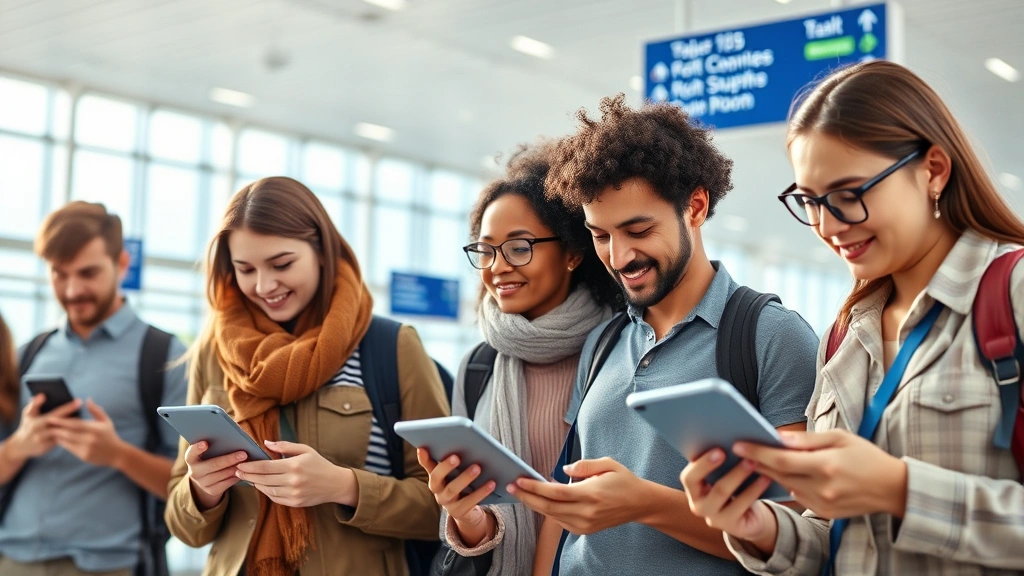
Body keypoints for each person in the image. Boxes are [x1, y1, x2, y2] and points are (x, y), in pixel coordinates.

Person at [680, 60, 1024, 574]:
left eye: (849, 195)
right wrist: (759, 528)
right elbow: (838, 533)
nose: (826, 225)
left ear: (933, 170)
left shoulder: (1013, 293)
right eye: (810, 201)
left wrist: (900, 490)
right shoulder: (844, 334)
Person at [511, 94, 819, 576]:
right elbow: (567, 509)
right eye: (601, 235)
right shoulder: (604, 342)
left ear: (695, 207)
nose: (618, 256)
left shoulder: (772, 337)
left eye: (638, 229)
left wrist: (646, 505)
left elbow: (796, 528)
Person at [164, 176, 449, 576]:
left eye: (282, 264)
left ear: (322, 250)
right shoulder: (216, 351)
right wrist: (202, 491)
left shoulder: (391, 346)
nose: (264, 285)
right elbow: (182, 527)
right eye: (245, 269)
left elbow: (444, 507)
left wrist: (344, 486)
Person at [416, 143, 622, 576]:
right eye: (486, 250)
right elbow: (477, 533)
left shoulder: (621, 350)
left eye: (519, 247)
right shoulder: (478, 366)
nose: (497, 267)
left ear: (572, 252)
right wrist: (466, 517)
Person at [0, 201, 188, 576]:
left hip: (110, 565)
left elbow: (190, 489)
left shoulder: (167, 357)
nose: (72, 290)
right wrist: (20, 445)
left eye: (87, 273)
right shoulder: (27, 355)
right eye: (59, 274)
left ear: (121, 265)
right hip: (13, 560)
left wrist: (117, 454)